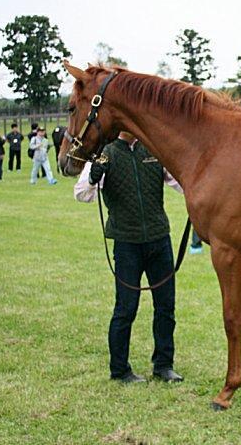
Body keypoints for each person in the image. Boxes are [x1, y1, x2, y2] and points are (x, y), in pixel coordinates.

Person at [74, 131, 184, 383]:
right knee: (126, 308)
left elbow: (181, 182)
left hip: (159, 238)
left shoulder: (154, 148)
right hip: (127, 243)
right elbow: (81, 194)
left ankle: (164, 365)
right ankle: (120, 369)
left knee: (166, 306)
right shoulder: (105, 153)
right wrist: (92, 178)